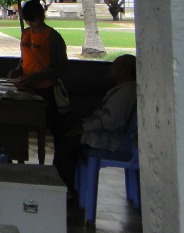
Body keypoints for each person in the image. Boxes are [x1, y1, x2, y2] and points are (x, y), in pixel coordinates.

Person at [57, 55, 138, 199]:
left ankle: (65, 188)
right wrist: (83, 124)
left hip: (113, 139)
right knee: (67, 135)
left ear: (125, 72)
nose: (110, 67)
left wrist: (85, 127)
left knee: (67, 141)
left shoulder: (126, 93)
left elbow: (111, 122)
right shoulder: (124, 90)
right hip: (110, 134)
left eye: (115, 65)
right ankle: (65, 183)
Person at [7, 0, 70, 184]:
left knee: (55, 131)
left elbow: (62, 66)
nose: (30, 24)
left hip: (46, 88)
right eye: (27, 20)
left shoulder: (53, 37)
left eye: (33, 20)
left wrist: (38, 77)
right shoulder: (26, 34)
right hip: (25, 87)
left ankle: (58, 171)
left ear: (42, 17)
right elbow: (24, 58)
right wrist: (18, 70)